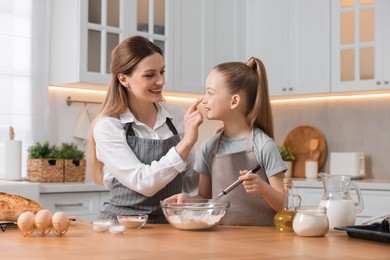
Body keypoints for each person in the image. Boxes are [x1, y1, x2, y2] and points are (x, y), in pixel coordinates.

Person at [88, 35, 203, 223]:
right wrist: (187, 142)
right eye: (150, 75)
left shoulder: (177, 116)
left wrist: (216, 148)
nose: (160, 81)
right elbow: (143, 182)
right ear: (124, 79)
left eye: (162, 72)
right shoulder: (108, 126)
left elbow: (188, 181)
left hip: (169, 224)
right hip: (122, 226)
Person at [165, 57, 287, 226]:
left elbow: (285, 206)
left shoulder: (264, 145)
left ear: (234, 101)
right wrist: (187, 200)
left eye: (210, 92)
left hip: (263, 242)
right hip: (221, 239)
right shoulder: (209, 147)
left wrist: (263, 188)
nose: (204, 99)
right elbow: (206, 198)